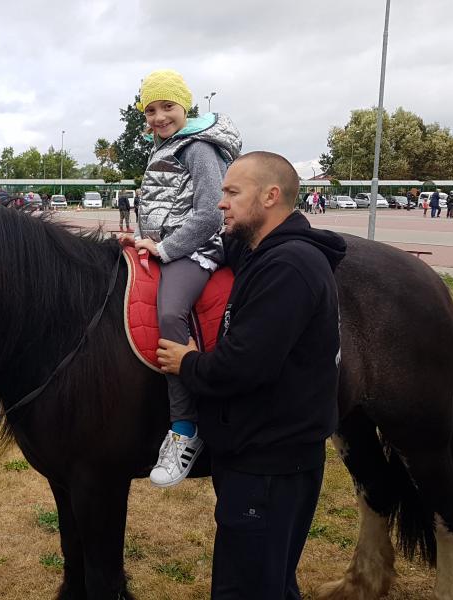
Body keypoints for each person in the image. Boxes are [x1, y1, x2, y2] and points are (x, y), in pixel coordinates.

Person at [156, 151, 345, 599]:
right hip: (262, 457)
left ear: (271, 196)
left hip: (270, 464)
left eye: (232, 193)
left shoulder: (289, 267)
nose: (221, 203)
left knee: (246, 589)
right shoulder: (265, 251)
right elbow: (227, 243)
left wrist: (187, 362)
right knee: (268, 581)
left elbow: (244, 365)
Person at [119, 68, 242, 487]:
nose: (158, 116)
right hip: (168, 244)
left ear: (184, 106)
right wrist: (142, 237)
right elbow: (164, 205)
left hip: (198, 249)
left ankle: (185, 428)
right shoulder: (163, 147)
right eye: (150, 110)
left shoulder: (198, 148)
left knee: (170, 311)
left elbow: (210, 211)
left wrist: (168, 249)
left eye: (166, 106)